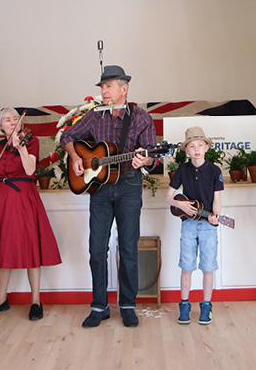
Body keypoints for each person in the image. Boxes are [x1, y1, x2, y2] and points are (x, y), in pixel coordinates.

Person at [61, 65, 157, 328]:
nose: (103, 91)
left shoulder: (140, 118)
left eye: (108, 86)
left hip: (128, 186)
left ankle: (127, 305)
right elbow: (68, 136)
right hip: (100, 190)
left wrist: (145, 160)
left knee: (128, 248)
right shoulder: (95, 116)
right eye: (102, 87)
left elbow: (153, 159)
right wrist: (75, 156)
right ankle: (99, 306)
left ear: (123, 89)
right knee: (96, 249)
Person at [0, 107, 61, 321]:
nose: (12, 122)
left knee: (31, 249)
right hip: (0, 198)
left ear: (20, 124)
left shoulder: (31, 142)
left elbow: (30, 170)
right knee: (3, 249)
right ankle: (2, 300)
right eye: (7, 120)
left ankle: (36, 301)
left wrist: (20, 148)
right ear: (0, 126)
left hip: (24, 198)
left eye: (15, 119)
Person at [165, 126, 223, 325]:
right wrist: (179, 203)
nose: (196, 149)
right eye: (192, 146)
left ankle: (206, 306)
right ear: (186, 150)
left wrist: (216, 215)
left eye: (200, 145)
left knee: (208, 267)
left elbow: (217, 199)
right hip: (188, 225)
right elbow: (169, 197)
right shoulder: (183, 170)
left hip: (208, 226)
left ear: (206, 147)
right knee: (187, 267)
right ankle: (184, 305)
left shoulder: (215, 171)